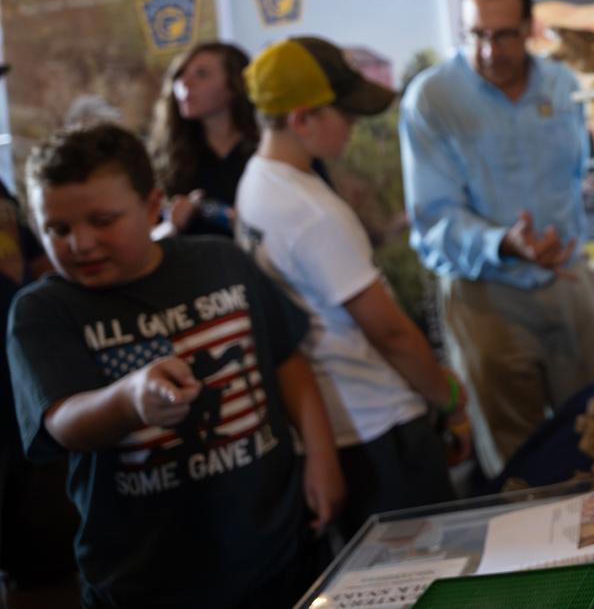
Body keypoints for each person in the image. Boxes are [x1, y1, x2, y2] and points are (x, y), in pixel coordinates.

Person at [6, 123, 343, 608]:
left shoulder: (220, 261)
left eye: (102, 220)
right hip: (144, 576)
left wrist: (322, 457)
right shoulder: (43, 309)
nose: (80, 244)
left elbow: (286, 360)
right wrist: (130, 399)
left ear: (151, 206)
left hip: (275, 550)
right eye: (57, 229)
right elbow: (61, 422)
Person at [236, 37, 467, 538]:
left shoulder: (257, 182)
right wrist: (448, 396)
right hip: (381, 426)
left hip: (338, 425)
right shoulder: (312, 213)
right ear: (302, 120)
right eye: (344, 114)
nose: (354, 127)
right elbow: (390, 333)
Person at [400, 0, 594, 479]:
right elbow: (432, 220)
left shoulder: (562, 84)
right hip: (484, 298)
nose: (490, 51)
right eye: (477, 35)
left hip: (567, 282)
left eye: (504, 35)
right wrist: (503, 243)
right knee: (517, 462)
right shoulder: (432, 100)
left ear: (529, 28)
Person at [148, 42, 258, 237]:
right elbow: (145, 241)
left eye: (202, 74)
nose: (185, 83)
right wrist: (174, 225)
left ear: (235, 85)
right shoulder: (167, 157)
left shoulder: (268, 149)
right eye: (181, 75)